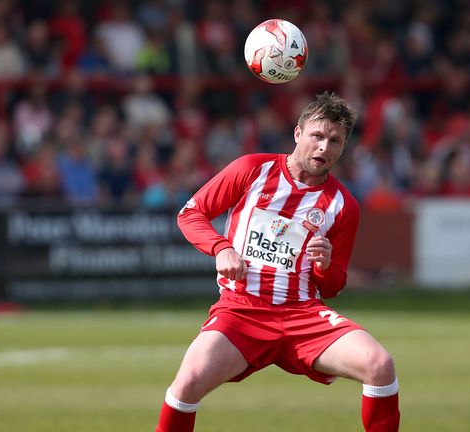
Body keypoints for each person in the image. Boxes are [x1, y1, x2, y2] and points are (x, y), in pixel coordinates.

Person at [155, 92, 400, 431]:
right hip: (242, 310)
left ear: (344, 147)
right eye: (317, 135)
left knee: (379, 364)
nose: (324, 147)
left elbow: (334, 285)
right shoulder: (252, 169)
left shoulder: (343, 205)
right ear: (298, 133)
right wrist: (221, 248)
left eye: (335, 141)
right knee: (188, 382)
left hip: (303, 315)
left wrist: (325, 266)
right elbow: (191, 213)